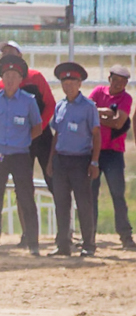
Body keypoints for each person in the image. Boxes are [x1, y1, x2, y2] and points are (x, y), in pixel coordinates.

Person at [0, 54, 44, 257]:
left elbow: (37, 127)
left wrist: (24, 140)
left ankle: (33, 244)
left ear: (21, 79)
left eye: (14, 75)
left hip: (21, 156)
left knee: (26, 199)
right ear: (2, 78)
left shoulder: (29, 101)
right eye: (7, 75)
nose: (10, 79)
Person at [48, 62, 102, 258]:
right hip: (61, 160)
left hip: (80, 160)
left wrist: (94, 161)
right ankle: (63, 244)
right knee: (61, 203)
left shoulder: (89, 107)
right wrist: (50, 160)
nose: (68, 85)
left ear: (80, 83)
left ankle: (88, 243)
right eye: (64, 81)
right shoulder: (60, 106)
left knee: (84, 204)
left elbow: (96, 135)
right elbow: (57, 134)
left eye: (72, 82)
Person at [1, 41, 56, 191]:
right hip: (20, 140)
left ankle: (65, 215)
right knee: (22, 184)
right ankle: (25, 215)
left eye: (11, 52)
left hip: (42, 135)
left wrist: (38, 128)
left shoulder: (35, 76)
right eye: (4, 53)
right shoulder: (2, 84)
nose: (7, 56)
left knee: (53, 179)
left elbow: (50, 104)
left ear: (20, 55)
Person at [91, 63, 134, 250]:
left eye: (122, 82)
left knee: (118, 194)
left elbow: (118, 123)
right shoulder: (98, 91)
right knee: (90, 194)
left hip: (114, 152)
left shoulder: (126, 98)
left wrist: (96, 114)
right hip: (94, 150)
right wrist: (107, 113)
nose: (118, 85)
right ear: (109, 79)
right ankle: (88, 235)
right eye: (116, 80)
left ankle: (125, 236)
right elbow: (87, 109)